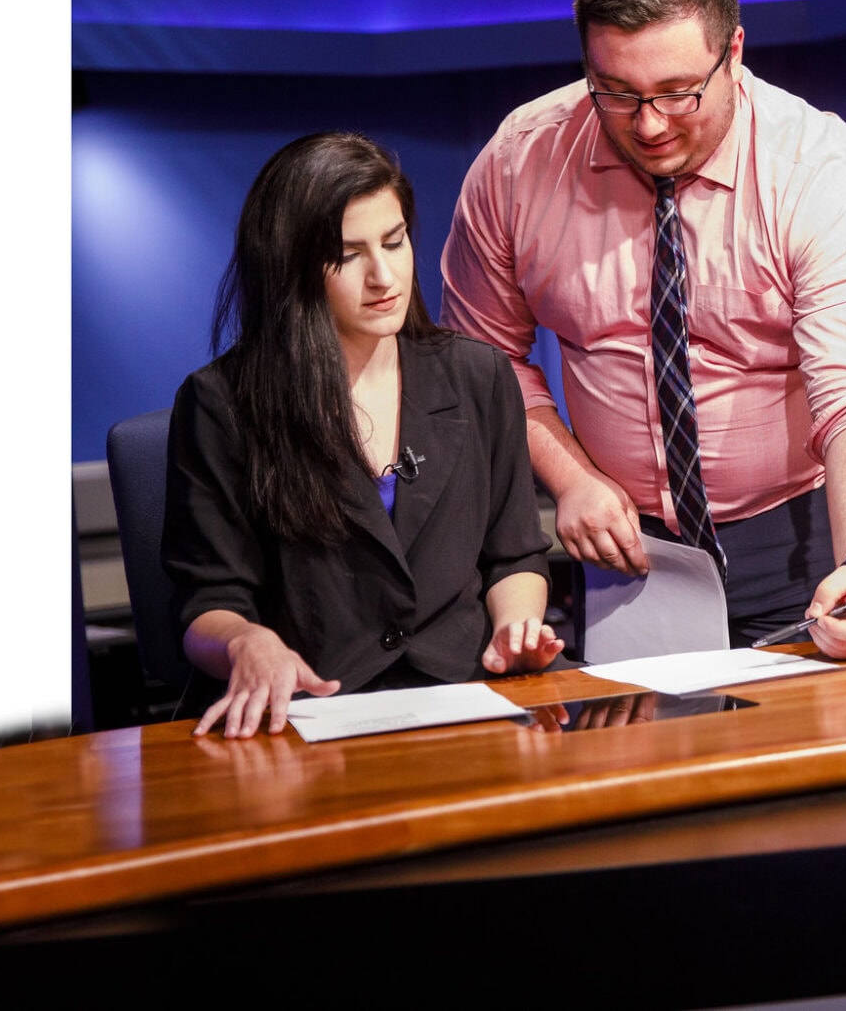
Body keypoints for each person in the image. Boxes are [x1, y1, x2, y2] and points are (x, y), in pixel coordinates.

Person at [441, 0, 846, 657]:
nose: (650, 125)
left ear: (734, 53)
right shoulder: (517, 164)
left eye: (676, 93)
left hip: (804, 539)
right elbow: (483, 361)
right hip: (631, 554)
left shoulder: (817, 167)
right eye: (618, 94)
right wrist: (572, 480)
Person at [165, 132, 565, 739]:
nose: (384, 275)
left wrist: (518, 627)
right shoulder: (223, 404)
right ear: (290, 265)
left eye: (395, 241)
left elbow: (514, 555)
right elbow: (207, 604)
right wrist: (247, 642)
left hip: (468, 695)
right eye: (348, 255)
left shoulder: (479, 376)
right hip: (316, 707)